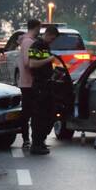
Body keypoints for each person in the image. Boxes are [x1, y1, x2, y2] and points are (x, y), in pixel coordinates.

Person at [26, 24, 59, 155]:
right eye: (53, 38)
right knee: (39, 116)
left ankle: (41, 141)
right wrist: (49, 59)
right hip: (39, 86)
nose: (53, 41)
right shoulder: (36, 46)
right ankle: (36, 144)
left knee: (49, 114)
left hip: (47, 85)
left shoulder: (46, 46)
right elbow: (32, 63)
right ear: (49, 34)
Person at [16, 19, 41, 150]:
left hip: (28, 82)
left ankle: (29, 139)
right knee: (28, 113)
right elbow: (28, 63)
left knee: (30, 112)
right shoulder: (28, 42)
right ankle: (26, 139)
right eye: (39, 28)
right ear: (36, 28)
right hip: (28, 83)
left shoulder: (27, 41)